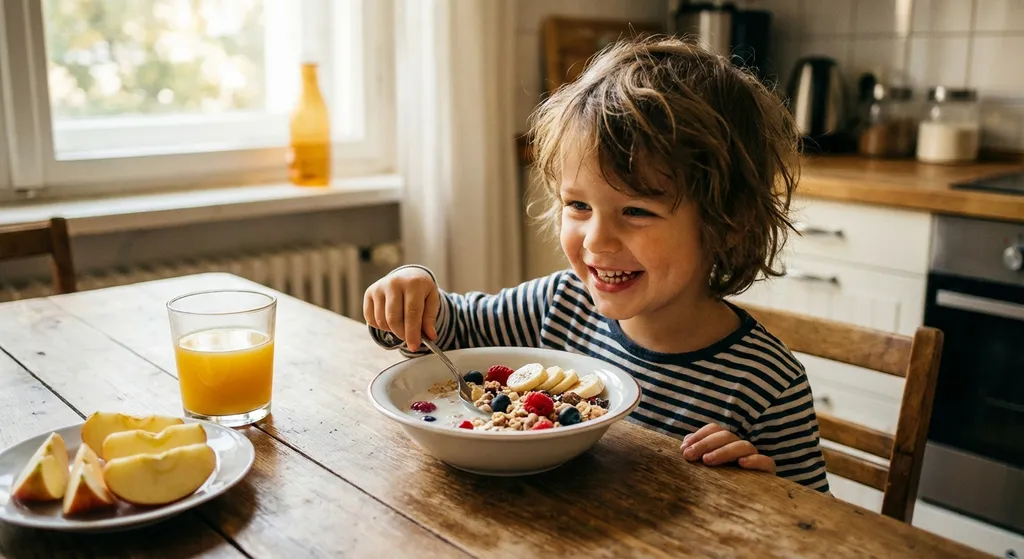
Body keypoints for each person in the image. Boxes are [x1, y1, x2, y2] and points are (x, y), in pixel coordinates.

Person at [363, 36, 828, 492]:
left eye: (637, 211)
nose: (597, 241)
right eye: (578, 206)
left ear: (728, 222)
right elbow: (452, 329)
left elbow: (814, 526)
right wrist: (413, 295)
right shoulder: (558, 303)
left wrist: (763, 491)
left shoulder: (767, 385)